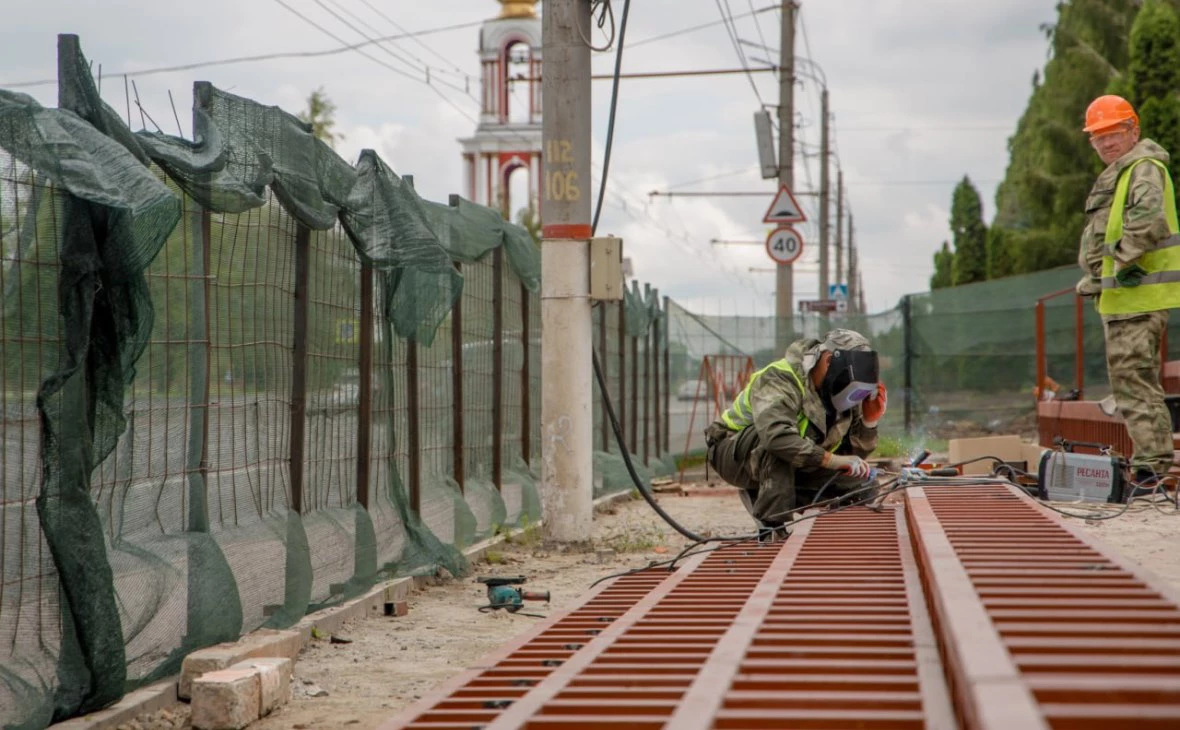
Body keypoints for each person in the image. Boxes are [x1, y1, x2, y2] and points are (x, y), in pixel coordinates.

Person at [1076, 95, 1179, 485]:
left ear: (1133, 130)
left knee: (1135, 382)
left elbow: (1148, 223)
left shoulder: (1143, 168)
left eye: (1113, 133)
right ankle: (1149, 465)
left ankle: (1151, 470)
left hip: (1139, 297)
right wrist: (1096, 280)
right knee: (1131, 381)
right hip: (1124, 299)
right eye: (1098, 137)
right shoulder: (1125, 173)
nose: (1105, 143)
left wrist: (1123, 262)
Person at [704, 329, 886, 537]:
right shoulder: (781, 378)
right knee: (780, 445)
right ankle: (772, 528)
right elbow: (776, 437)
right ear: (828, 361)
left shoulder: (841, 391)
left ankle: (835, 533)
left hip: (795, 458)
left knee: (863, 482)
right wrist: (830, 460)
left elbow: (850, 457)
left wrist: (870, 422)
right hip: (734, 452)